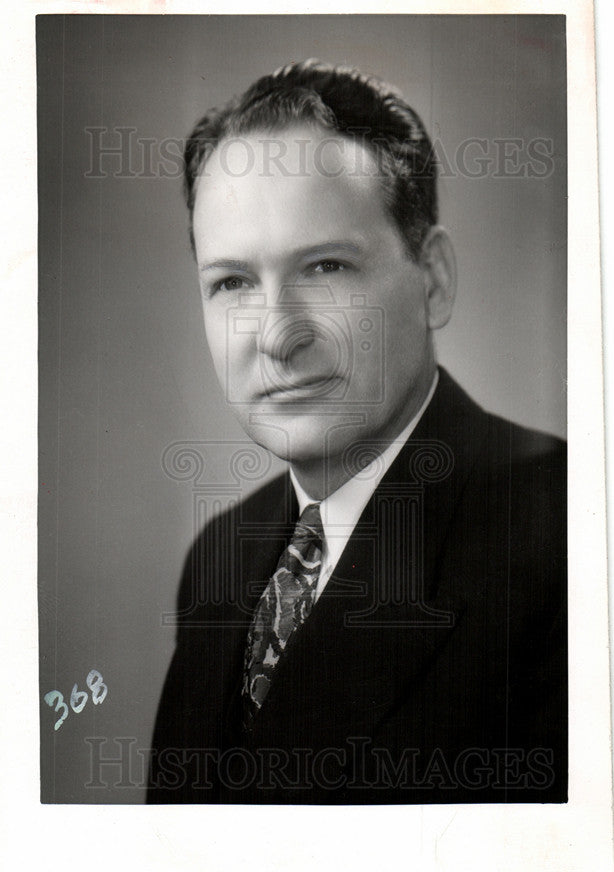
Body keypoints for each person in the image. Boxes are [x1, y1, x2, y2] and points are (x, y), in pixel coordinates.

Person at [147, 61, 566, 805]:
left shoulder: (565, 539)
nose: (276, 336)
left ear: (431, 279)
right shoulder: (219, 559)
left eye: (326, 266)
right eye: (232, 283)